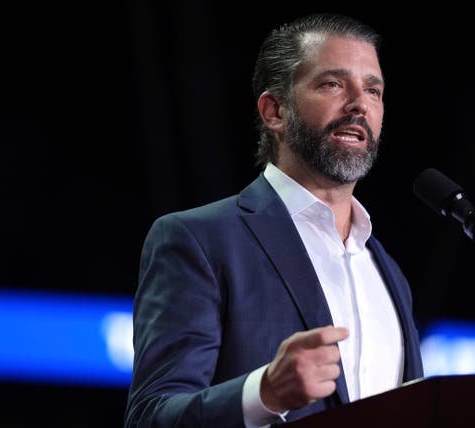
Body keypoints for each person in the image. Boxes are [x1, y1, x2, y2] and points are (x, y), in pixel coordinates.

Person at [124, 13, 424, 428]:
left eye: (373, 90)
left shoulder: (387, 270)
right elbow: (150, 417)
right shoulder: (197, 240)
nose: (359, 103)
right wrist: (263, 392)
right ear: (275, 111)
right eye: (333, 84)